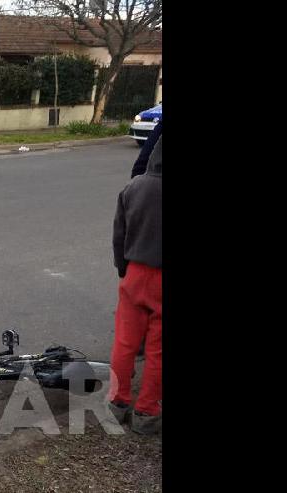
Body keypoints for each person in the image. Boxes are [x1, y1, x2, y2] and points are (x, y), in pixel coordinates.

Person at [108, 135, 162, 435]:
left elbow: (119, 234)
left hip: (134, 274)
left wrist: (123, 268)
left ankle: (117, 401)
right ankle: (147, 411)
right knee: (157, 350)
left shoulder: (134, 187)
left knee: (125, 342)